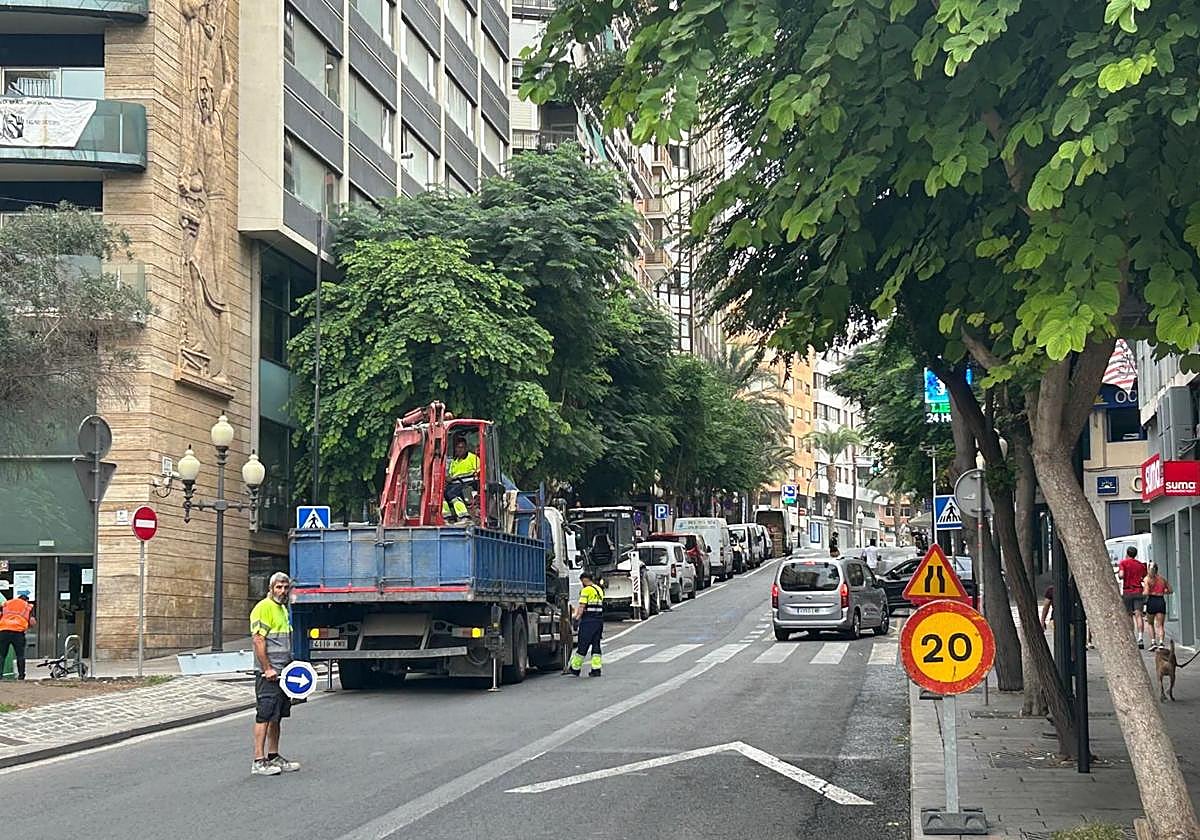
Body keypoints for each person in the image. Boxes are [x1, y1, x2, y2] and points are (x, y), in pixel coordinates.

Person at [250, 572, 301, 776]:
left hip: (283, 672)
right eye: (278, 587)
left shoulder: (282, 609)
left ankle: (273, 756)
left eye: (285, 587)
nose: (282, 591)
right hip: (269, 674)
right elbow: (258, 640)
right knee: (264, 714)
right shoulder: (264, 607)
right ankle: (258, 760)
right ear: (270, 588)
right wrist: (267, 668)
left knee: (276, 716)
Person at [568, 571, 604, 677]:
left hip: (588, 621)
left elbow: (582, 606)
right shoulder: (599, 589)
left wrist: (576, 619)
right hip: (599, 620)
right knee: (596, 645)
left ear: (584, 580)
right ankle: (596, 669)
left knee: (583, 645)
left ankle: (575, 668)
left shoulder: (586, 590)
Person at [443, 436, 480, 522]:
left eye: (461, 447)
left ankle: (464, 516)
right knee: (441, 493)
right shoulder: (454, 462)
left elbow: (479, 473)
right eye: (458, 448)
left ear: (466, 448)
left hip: (469, 484)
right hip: (455, 484)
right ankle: (447, 516)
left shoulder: (473, 458)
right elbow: (451, 475)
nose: (459, 450)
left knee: (452, 493)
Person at [1118, 546, 1148, 648]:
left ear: (1127, 553)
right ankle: (1140, 638)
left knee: (1129, 615)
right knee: (1139, 615)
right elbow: (1144, 576)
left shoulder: (1123, 563)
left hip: (1127, 591)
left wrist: (1121, 575)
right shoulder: (1140, 565)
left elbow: (1121, 575)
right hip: (1138, 591)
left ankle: (1132, 637)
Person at [0, 592, 35, 680]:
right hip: (18, 632)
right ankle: (21, 676)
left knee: (2, 654)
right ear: (26, 600)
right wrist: (29, 626)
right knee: (20, 655)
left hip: (4, 630)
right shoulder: (27, 606)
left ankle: (0, 675)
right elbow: (32, 621)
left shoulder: (7, 603)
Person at [1142, 563, 1173, 650]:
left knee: (1150, 623)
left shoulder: (1147, 579)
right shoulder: (1162, 579)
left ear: (1148, 569)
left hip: (1151, 601)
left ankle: (1153, 642)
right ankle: (1161, 643)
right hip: (1160, 600)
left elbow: (1146, 592)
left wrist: (1142, 593)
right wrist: (1162, 592)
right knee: (1160, 625)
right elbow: (1170, 590)